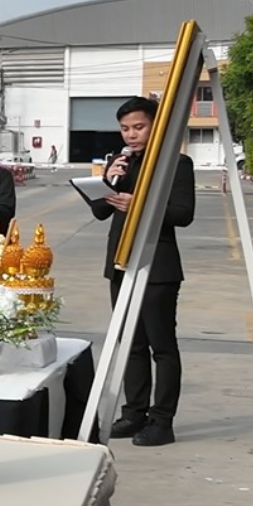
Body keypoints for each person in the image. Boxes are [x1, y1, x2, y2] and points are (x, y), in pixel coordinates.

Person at [89, 97, 195, 448]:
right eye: (125, 129)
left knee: (161, 346)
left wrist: (140, 204)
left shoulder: (176, 163)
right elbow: (100, 212)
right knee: (130, 344)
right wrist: (109, 181)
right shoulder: (120, 163)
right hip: (121, 262)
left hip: (157, 266)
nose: (131, 135)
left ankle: (162, 421)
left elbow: (183, 213)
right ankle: (134, 412)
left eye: (139, 127)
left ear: (155, 125)